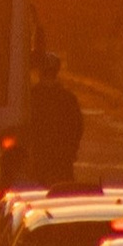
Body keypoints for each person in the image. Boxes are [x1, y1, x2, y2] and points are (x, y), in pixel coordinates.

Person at [17, 48, 85, 188]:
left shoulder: (31, 97)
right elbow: (77, 126)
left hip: (41, 156)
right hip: (61, 157)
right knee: (63, 192)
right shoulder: (67, 98)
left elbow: (24, 125)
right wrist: (72, 149)